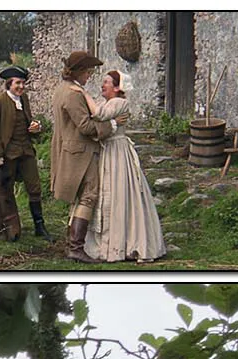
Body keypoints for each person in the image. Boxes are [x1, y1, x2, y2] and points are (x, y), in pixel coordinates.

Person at [81, 70, 167, 262]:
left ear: (117, 87)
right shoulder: (109, 102)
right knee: (108, 193)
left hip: (117, 152)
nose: (102, 85)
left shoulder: (119, 102)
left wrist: (83, 93)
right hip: (108, 149)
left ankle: (125, 243)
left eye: (107, 82)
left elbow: (98, 114)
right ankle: (111, 242)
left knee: (119, 193)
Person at [49, 50, 114, 264]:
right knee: (88, 196)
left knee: (80, 198)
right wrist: (110, 126)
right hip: (80, 153)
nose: (89, 76)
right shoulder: (73, 94)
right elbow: (85, 126)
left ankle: (72, 244)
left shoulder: (63, 89)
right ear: (76, 71)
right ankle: (75, 248)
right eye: (87, 72)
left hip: (72, 149)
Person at [0, 65, 50, 239]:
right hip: (8, 153)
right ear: (9, 84)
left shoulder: (24, 99)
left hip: (26, 150)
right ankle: (10, 225)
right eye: (17, 83)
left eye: (23, 83)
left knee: (34, 187)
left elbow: (27, 122)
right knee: (6, 188)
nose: (21, 87)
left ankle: (39, 226)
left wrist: (35, 127)